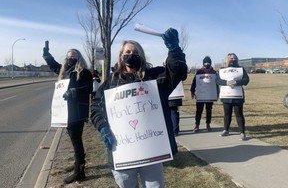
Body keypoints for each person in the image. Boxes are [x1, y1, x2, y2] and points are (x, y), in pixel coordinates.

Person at [90, 28, 187, 188]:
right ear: (121, 56)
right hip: (122, 150)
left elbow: (178, 72)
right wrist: (102, 127)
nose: (131, 54)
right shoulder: (110, 83)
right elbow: (95, 108)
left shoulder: (155, 77)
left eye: (135, 52)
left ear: (141, 56)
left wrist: (174, 49)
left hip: (151, 149)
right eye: (127, 52)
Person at [42, 45, 93, 184]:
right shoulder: (63, 71)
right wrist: (46, 55)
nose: (70, 59)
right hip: (64, 111)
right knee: (73, 138)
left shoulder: (84, 72)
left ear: (78, 58)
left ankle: (79, 171)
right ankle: (78, 161)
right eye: (68, 57)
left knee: (76, 139)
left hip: (77, 112)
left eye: (73, 57)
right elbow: (53, 65)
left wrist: (73, 92)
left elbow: (88, 88)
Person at [216, 53, 249, 140]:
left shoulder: (241, 69)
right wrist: (226, 83)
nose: (232, 60)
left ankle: (242, 132)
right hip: (226, 95)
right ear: (227, 59)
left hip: (238, 96)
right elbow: (217, 80)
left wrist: (237, 82)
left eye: (234, 59)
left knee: (239, 114)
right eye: (231, 59)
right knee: (227, 114)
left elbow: (246, 80)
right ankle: (226, 130)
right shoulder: (222, 70)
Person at [190, 56, 218, 133]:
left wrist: (217, 93)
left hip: (210, 95)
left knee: (209, 110)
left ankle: (208, 124)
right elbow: (194, 82)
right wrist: (192, 91)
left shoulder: (213, 72)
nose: (207, 64)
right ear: (203, 63)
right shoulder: (199, 72)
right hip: (200, 95)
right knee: (199, 110)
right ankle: (197, 125)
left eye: (208, 63)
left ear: (210, 63)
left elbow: (217, 84)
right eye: (205, 63)